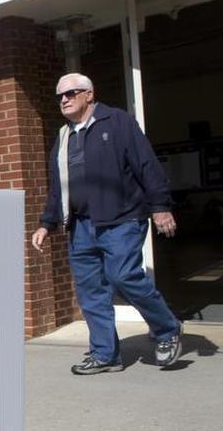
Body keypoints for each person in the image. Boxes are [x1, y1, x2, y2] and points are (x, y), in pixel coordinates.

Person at [32, 73, 182, 375]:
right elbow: (58, 187)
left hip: (122, 218)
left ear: (89, 94)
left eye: (71, 93)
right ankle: (105, 355)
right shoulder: (63, 137)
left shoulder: (118, 122)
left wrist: (161, 206)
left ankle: (167, 330)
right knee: (90, 292)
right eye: (60, 95)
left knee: (123, 275)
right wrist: (46, 223)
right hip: (80, 226)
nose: (64, 99)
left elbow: (146, 164)